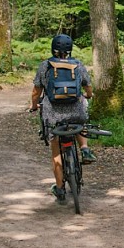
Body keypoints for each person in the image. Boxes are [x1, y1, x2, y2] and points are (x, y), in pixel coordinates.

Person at [30, 34, 97, 204]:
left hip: (53, 113)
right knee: (79, 123)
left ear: (53, 48)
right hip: (76, 110)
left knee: (56, 150)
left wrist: (34, 105)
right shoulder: (78, 64)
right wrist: (88, 95)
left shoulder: (45, 65)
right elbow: (88, 86)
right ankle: (84, 148)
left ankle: (60, 189)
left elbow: (36, 92)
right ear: (70, 49)